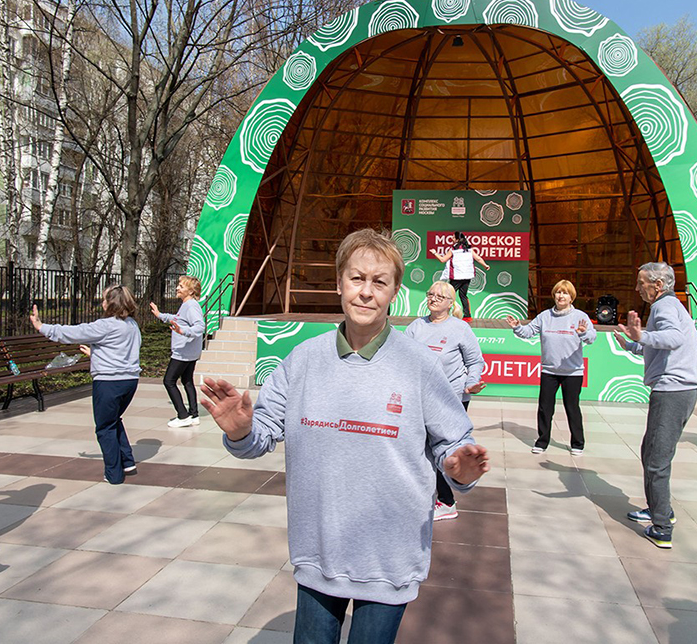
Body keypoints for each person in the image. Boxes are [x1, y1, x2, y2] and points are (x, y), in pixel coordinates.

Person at [200, 228, 490, 644]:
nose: (366, 292)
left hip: (389, 557)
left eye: (380, 282)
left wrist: (459, 467)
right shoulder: (303, 359)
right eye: (357, 278)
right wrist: (243, 430)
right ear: (339, 282)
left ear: (394, 292)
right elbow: (261, 435)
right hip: (319, 551)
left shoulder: (420, 366)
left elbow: (454, 446)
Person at [615, 263, 697, 550]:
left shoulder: (665, 307)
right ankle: (658, 508)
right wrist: (632, 344)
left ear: (658, 285)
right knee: (650, 451)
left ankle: (662, 526)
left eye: (641, 283)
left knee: (656, 460)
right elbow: (659, 344)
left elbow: (672, 339)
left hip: (673, 392)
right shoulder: (669, 306)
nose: (638, 288)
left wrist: (642, 336)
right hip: (677, 391)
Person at [31, 285, 142, 484]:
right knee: (114, 419)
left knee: (104, 427)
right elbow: (123, 351)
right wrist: (97, 354)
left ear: (112, 303)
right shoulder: (132, 325)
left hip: (109, 382)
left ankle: (114, 474)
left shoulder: (105, 325)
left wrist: (42, 327)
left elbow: (75, 332)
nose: (102, 302)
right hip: (130, 381)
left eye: (105, 299)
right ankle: (127, 461)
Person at [405, 280, 487, 521]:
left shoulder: (460, 329)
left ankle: (447, 501)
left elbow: (475, 362)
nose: (433, 299)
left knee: (442, 448)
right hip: (420, 398)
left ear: (451, 303)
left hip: (452, 397)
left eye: (440, 296)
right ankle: (424, 495)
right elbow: (404, 358)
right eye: (430, 294)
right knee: (419, 447)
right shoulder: (416, 327)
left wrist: (471, 382)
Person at [504, 279, 596, 456]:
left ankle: (577, 443)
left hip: (572, 372)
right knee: (545, 408)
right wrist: (517, 327)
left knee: (572, 407)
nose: (561, 296)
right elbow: (528, 332)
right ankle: (542, 441)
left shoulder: (580, 317)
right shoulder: (545, 316)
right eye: (558, 292)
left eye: (565, 293)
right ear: (554, 295)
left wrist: (583, 333)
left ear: (571, 297)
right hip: (549, 371)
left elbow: (592, 337)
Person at [150, 275, 205, 428]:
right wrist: (161, 316)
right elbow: (178, 319)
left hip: (183, 352)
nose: (177, 288)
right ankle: (194, 415)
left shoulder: (191, 306)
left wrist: (182, 331)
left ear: (191, 290)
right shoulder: (187, 305)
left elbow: (199, 327)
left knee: (168, 381)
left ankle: (183, 415)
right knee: (187, 381)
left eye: (181, 286)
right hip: (189, 352)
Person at [433, 231, 490, 321]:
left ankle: (442, 314)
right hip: (467, 276)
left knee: (447, 295)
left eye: (453, 236)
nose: (451, 237)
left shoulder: (453, 250)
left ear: (457, 239)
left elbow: (442, 260)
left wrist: (435, 253)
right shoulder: (469, 250)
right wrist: (485, 265)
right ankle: (467, 316)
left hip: (457, 276)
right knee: (463, 295)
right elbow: (478, 258)